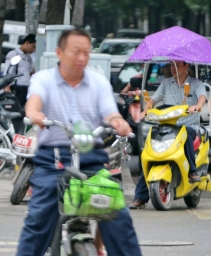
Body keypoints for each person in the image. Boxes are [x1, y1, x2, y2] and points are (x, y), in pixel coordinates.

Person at [16, 29, 142, 256]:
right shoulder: (42, 79)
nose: (82, 58)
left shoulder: (98, 82)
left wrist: (119, 122)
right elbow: (33, 103)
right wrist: (35, 114)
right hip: (52, 161)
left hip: (91, 162)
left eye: (86, 52)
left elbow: (110, 113)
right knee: (38, 219)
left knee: (118, 215)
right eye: (76, 52)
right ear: (59, 53)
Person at [129, 60, 207, 209]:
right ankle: (140, 197)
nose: (173, 68)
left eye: (177, 65)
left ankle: (192, 170)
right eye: (171, 65)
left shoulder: (196, 84)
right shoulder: (165, 83)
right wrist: (146, 110)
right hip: (168, 126)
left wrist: (198, 105)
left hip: (188, 125)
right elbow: (153, 100)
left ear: (187, 66)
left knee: (187, 134)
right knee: (150, 152)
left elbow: (202, 96)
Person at [4, 33, 36, 107]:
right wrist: (7, 87)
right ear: (27, 43)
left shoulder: (28, 58)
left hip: (27, 88)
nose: (33, 50)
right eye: (33, 47)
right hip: (17, 87)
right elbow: (8, 72)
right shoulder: (14, 54)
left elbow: (29, 72)